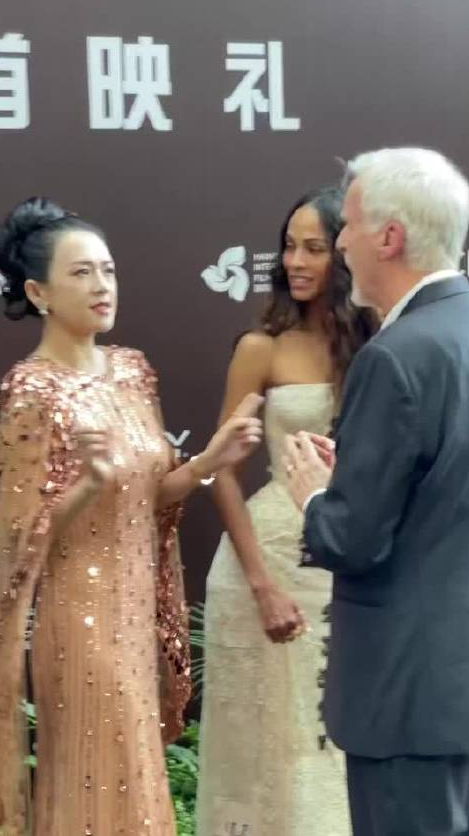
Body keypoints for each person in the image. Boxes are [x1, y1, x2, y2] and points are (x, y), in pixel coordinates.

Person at [0, 196, 262, 836]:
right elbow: (16, 539)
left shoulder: (132, 370)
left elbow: (150, 496)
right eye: (81, 273)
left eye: (108, 270)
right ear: (37, 292)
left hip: (136, 610)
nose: (102, 286)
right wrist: (86, 487)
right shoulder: (31, 390)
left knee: (135, 772)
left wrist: (208, 461)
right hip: (78, 616)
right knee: (96, 770)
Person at [283, 148, 469, 836]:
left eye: (349, 226)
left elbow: (351, 538)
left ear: (389, 237)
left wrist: (314, 496)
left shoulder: (394, 356)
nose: (339, 245)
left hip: (408, 696)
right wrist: (360, 470)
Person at [196, 186, 378, 836]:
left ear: (345, 254)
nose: (295, 261)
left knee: (337, 744)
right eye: (288, 246)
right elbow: (220, 466)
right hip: (266, 562)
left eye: (314, 248)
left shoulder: (381, 343)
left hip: (348, 558)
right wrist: (261, 585)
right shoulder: (262, 347)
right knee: (264, 753)